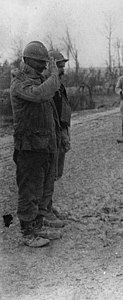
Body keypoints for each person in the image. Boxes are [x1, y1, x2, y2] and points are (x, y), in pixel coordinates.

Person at [10, 41, 63, 247]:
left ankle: (38, 225)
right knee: (29, 189)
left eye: (44, 62)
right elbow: (40, 94)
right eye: (40, 62)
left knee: (39, 188)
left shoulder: (38, 79)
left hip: (42, 144)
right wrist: (53, 76)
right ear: (28, 61)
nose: (43, 66)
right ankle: (27, 232)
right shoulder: (20, 83)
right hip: (28, 145)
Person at [43, 50, 71, 227]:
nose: (62, 69)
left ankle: (48, 206)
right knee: (48, 173)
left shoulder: (59, 85)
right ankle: (44, 211)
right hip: (51, 133)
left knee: (55, 173)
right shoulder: (48, 85)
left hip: (61, 131)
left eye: (63, 65)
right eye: (59, 65)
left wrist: (65, 132)